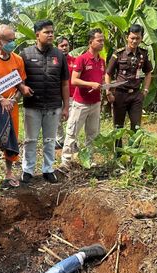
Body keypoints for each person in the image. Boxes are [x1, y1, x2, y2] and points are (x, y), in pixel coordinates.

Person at [0, 24, 32, 190]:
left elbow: (21, 85)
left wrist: (14, 100)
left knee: (11, 139)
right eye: (9, 40)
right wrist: (1, 100)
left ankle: (9, 173)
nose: (12, 43)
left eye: (14, 40)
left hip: (12, 107)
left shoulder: (18, 60)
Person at [20, 20, 70, 184]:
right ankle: (27, 170)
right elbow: (18, 79)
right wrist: (22, 88)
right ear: (37, 34)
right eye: (47, 32)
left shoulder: (59, 55)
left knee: (50, 140)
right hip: (32, 106)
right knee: (30, 140)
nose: (50, 35)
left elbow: (64, 83)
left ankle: (48, 169)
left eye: (52, 32)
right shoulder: (25, 54)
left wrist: (66, 107)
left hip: (54, 106)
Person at [61, 28, 105, 169]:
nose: (102, 43)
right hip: (81, 103)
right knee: (72, 131)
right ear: (91, 42)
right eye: (99, 40)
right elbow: (74, 80)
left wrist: (104, 86)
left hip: (96, 102)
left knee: (92, 133)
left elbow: (100, 79)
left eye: (103, 40)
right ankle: (66, 161)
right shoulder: (82, 59)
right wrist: (90, 84)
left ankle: (89, 159)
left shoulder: (102, 61)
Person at [105, 24, 152, 148]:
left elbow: (148, 73)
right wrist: (108, 92)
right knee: (118, 127)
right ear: (127, 37)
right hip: (120, 95)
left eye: (137, 38)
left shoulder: (143, 54)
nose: (134, 41)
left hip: (136, 95)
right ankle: (119, 156)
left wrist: (145, 90)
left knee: (136, 127)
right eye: (132, 38)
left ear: (141, 38)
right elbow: (108, 73)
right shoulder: (119, 54)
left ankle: (134, 157)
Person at [56, 37, 76, 149]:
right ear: (57, 47)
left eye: (66, 45)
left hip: (72, 95)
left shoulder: (75, 61)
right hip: (57, 96)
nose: (64, 48)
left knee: (72, 120)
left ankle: (71, 142)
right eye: (62, 46)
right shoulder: (54, 61)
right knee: (57, 120)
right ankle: (59, 140)